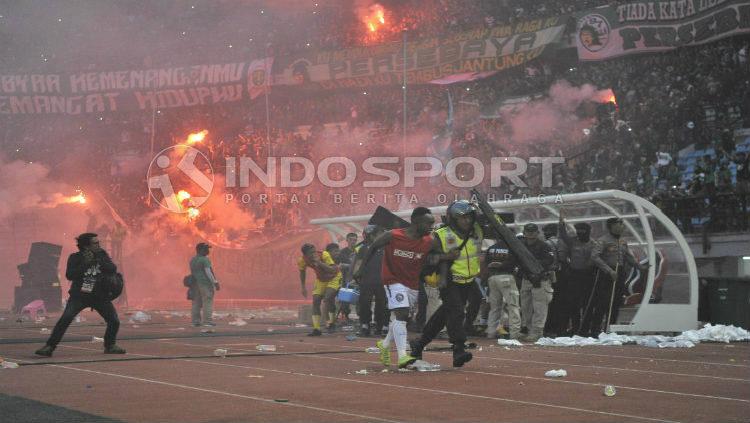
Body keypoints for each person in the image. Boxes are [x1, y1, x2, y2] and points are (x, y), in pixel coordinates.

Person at [354, 207, 438, 369]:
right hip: (392, 280)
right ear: (415, 222)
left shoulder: (429, 241)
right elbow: (373, 247)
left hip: (412, 283)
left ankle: (384, 344)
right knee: (402, 314)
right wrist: (361, 269)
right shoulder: (393, 235)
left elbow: (438, 254)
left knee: (400, 317)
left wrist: (441, 258)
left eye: (432, 223)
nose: (431, 226)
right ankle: (402, 356)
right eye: (428, 223)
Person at [409, 200, 485, 368]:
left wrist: (481, 208)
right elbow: (428, 258)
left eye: (469, 217)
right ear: (453, 218)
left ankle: (419, 344)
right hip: (449, 280)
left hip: (469, 280)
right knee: (457, 311)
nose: (466, 221)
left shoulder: (477, 231)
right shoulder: (441, 235)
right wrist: (446, 257)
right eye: (462, 218)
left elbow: (494, 223)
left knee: (444, 315)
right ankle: (458, 348)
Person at [35, 233, 125, 357]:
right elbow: (70, 275)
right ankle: (49, 346)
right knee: (65, 319)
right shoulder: (75, 257)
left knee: (114, 321)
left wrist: (97, 260)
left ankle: (110, 345)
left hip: (99, 296)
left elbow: (112, 268)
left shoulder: (102, 254)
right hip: (80, 296)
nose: (99, 244)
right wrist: (86, 264)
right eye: (95, 243)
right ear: (86, 246)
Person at [583, 217, 643, 336]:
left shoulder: (623, 241)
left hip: (619, 272)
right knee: (603, 302)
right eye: (618, 224)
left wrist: (639, 266)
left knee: (616, 302)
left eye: (622, 224)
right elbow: (595, 257)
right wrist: (609, 271)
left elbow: (627, 256)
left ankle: (611, 328)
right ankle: (596, 330)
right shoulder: (603, 240)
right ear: (611, 227)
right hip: (606, 274)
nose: (622, 226)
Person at [557, 211, 597, 336]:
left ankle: (585, 329)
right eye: (578, 231)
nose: (580, 234)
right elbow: (563, 235)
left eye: (583, 232)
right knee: (573, 303)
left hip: (588, 276)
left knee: (587, 303)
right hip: (574, 275)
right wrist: (561, 222)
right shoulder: (573, 241)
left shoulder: (593, 244)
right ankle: (575, 328)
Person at [518, 223, 555, 343]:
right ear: (524, 233)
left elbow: (549, 260)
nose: (530, 234)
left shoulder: (544, 246)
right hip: (527, 279)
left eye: (533, 231)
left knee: (540, 307)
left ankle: (537, 332)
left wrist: (534, 267)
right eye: (528, 231)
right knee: (526, 307)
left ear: (537, 233)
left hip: (540, 279)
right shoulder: (522, 246)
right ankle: (528, 330)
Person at [299, 243, 342, 335]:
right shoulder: (302, 260)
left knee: (328, 298)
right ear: (305, 255)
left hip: (334, 277)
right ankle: (316, 329)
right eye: (311, 253)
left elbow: (332, 270)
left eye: (314, 251)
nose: (314, 254)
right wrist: (303, 287)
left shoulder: (324, 254)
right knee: (316, 300)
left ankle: (331, 323)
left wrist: (319, 263)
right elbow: (302, 272)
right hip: (321, 279)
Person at [351, 225, 387, 336]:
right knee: (365, 303)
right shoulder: (362, 248)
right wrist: (355, 277)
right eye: (378, 233)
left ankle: (380, 326)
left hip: (382, 280)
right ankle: (365, 326)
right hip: (366, 281)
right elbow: (358, 263)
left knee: (382, 304)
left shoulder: (385, 247)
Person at [484, 235, 521, 339]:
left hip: (492, 278)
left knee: (494, 308)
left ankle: (491, 332)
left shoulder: (491, 248)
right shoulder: (512, 248)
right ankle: (515, 333)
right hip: (506, 277)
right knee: (513, 306)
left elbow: (486, 263)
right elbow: (515, 262)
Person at [190, 242, 220, 327]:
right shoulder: (205, 259)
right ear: (200, 250)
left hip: (195, 284)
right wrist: (215, 282)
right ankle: (207, 321)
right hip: (205, 284)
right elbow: (208, 272)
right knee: (207, 302)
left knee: (196, 303)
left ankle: (195, 321)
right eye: (206, 249)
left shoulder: (193, 260)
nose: (208, 251)